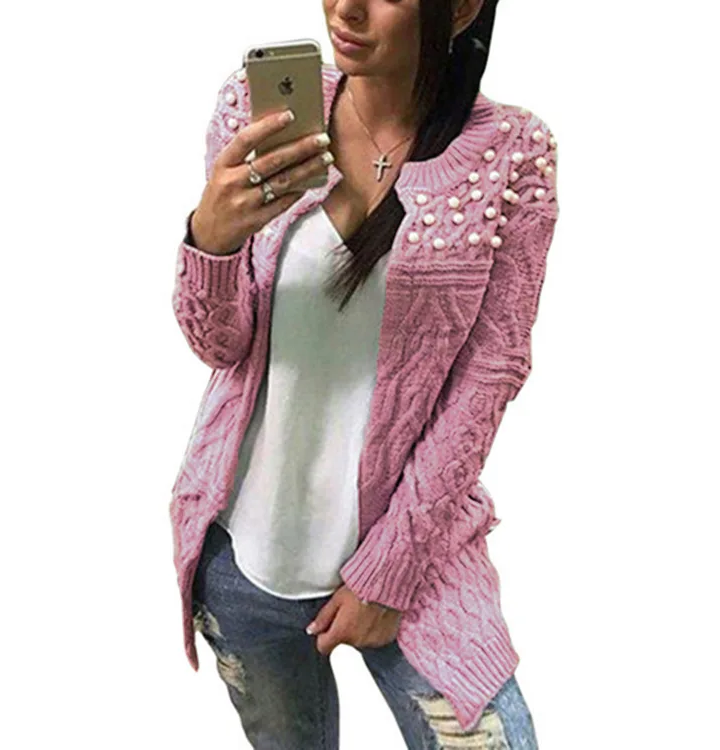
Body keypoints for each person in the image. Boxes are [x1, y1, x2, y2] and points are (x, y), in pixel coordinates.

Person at [170, 0, 559, 747]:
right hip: (243, 556)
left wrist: (391, 569)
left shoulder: (513, 153)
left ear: (462, 7)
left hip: (416, 557)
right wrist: (210, 239)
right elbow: (218, 345)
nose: (345, 7)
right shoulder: (256, 109)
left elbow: (493, 370)